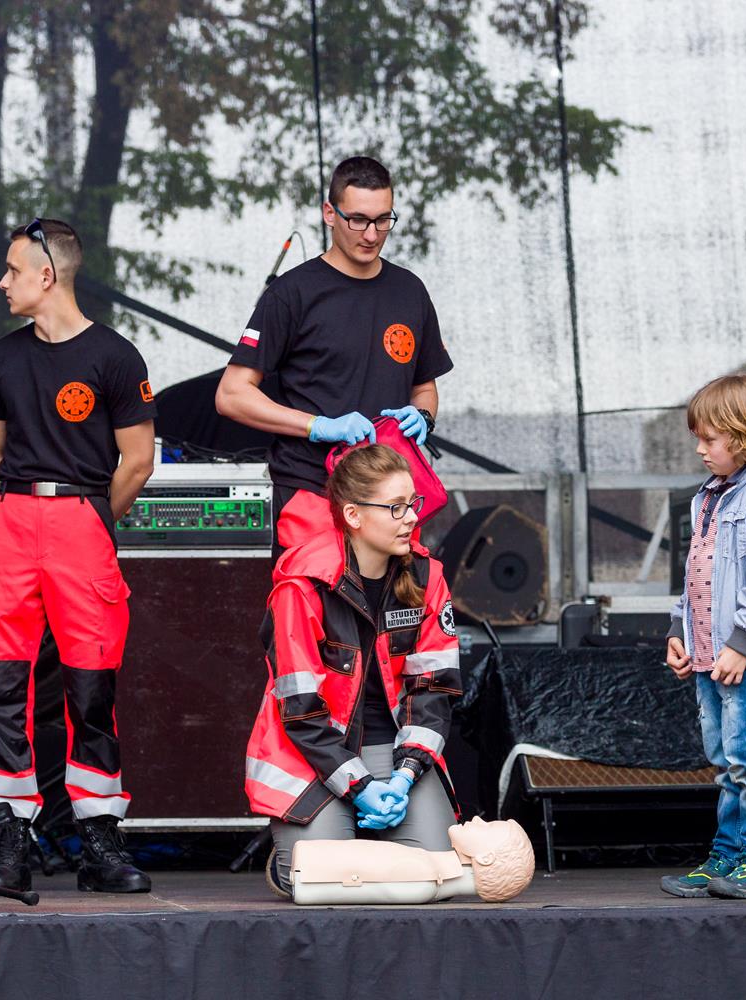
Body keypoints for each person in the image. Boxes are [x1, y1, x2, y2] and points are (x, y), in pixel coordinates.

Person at [0, 218, 158, 894]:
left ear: (47, 276)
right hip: (14, 522)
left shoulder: (115, 356)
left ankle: (98, 840)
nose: (3, 282)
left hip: (84, 522)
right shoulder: (3, 357)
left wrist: (89, 516)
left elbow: (138, 460)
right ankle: (8, 837)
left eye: (13, 270)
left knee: (91, 688)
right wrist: (19, 507)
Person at [244, 444, 463, 897]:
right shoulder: (302, 586)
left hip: (395, 753)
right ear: (354, 515)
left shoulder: (427, 576)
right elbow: (301, 710)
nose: (411, 518)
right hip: (314, 758)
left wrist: (405, 776)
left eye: (413, 503)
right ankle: (304, 852)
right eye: (396, 507)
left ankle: (366, 838)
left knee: (437, 876)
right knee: (322, 883)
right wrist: (359, 787)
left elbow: (434, 690)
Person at [214, 155, 453, 559]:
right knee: (311, 599)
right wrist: (318, 426)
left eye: (383, 220)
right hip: (312, 491)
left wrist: (423, 417)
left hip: (391, 503)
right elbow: (231, 395)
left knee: (398, 602)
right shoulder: (292, 294)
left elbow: (424, 387)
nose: (371, 234)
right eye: (357, 219)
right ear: (330, 213)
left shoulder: (410, 291)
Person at [661, 374, 746, 901]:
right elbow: (695, 577)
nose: (700, 449)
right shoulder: (707, 499)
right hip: (710, 654)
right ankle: (726, 855)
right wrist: (679, 633)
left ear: (744, 436)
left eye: (710, 439)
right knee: (723, 763)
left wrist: (741, 644)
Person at [289, 817, 536, 905]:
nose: (478, 820)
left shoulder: (425, 876)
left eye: (487, 827)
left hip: (310, 869)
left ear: (485, 858)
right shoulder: (428, 872)